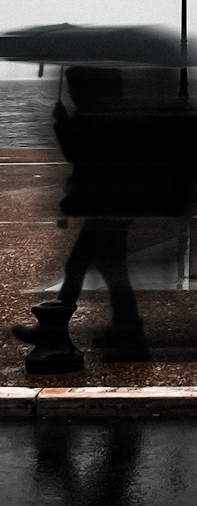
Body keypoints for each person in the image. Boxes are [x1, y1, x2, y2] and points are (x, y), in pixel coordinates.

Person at [11, 66, 149, 361]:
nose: (72, 92)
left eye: (74, 87)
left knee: (80, 265)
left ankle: (54, 331)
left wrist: (62, 125)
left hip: (107, 205)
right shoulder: (110, 111)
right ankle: (129, 330)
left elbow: (81, 155)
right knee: (112, 267)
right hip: (118, 203)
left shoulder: (94, 115)